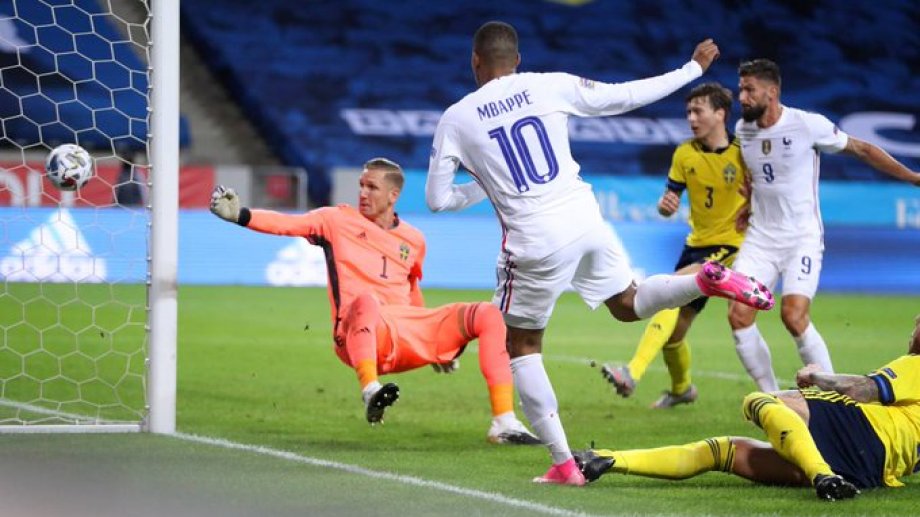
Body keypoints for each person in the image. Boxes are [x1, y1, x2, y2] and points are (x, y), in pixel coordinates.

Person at [426, 20, 775, 485]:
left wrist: (482, 187)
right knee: (628, 303)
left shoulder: (456, 117)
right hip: (585, 218)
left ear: (475, 62)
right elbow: (623, 96)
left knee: (522, 345)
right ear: (518, 60)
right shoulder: (548, 85)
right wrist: (692, 68)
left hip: (533, 238)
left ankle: (564, 464)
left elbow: (437, 200)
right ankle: (702, 279)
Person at [209, 157, 539, 445]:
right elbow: (288, 224)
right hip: (358, 333)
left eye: (372, 187)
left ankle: (504, 421)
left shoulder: (413, 239)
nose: (363, 193)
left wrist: (432, 344)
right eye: (361, 185)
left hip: (404, 332)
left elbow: (411, 289)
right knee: (367, 300)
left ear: (393, 195)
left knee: (488, 314)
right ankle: (370, 391)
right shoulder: (335, 220)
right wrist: (241, 214)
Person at [576, 315, 920, 501]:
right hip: (868, 471)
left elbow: (863, 389)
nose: (912, 332)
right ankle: (606, 460)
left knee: (760, 400)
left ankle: (821, 475)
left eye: (916, 325)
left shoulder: (916, 363)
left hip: (860, 430)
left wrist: (818, 376)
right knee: (722, 452)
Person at [728, 59, 920, 392]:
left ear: (772, 92)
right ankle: (771, 395)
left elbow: (862, 149)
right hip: (760, 238)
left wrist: (912, 177)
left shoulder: (806, 125)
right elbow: (756, 174)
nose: (742, 97)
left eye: (749, 90)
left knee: (793, 316)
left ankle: (835, 396)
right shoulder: (743, 130)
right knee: (738, 315)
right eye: (741, 89)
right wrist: (747, 205)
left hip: (801, 238)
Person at [601, 82, 749, 409]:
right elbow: (669, 200)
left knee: (668, 297)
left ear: (720, 114)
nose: (691, 118)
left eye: (698, 111)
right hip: (695, 244)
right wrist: (665, 206)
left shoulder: (743, 152)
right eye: (688, 112)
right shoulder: (684, 153)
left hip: (729, 246)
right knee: (674, 335)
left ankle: (632, 372)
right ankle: (682, 390)